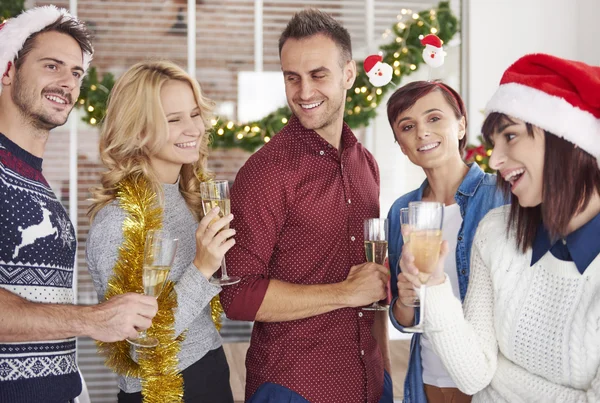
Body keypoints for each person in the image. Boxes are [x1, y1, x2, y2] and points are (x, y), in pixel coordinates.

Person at [399, 54, 600, 401]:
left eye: (510, 136)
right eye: (494, 142)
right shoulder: (496, 232)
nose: (494, 159)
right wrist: (432, 285)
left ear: (566, 138)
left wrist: (501, 379)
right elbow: (475, 376)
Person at [220, 8, 392, 403]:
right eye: (291, 78)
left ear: (348, 74)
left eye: (318, 75)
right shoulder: (266, 172)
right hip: (294, 388)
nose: (303, 92)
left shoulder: (366, 164)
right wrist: (344, 293)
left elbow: (373, 282)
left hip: (370, 382)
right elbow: (238, 295)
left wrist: (385, 376)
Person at [0, 6, 158, 403]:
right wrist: (92, 320)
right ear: (8, 71)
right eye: (51, 66)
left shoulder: (33, 179)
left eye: (75, 73)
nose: (67, 82)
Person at [86, 60, 235, 403]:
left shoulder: (188, 199)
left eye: (195, 114)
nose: (193, 128)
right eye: (173, 119)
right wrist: (202, 267)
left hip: (210, 369)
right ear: (137, 131)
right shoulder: (118, 220)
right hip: (163, 391)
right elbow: (139, 345)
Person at [386, 80, 507, 403]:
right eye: (407, 126)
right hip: (425, 381)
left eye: (434, 118)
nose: (422, 132)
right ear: (401, 144)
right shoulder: (402, 211)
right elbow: (403, 319)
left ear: (461, 124)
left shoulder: (503, 197)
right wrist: (407, 300)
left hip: (491, 383)